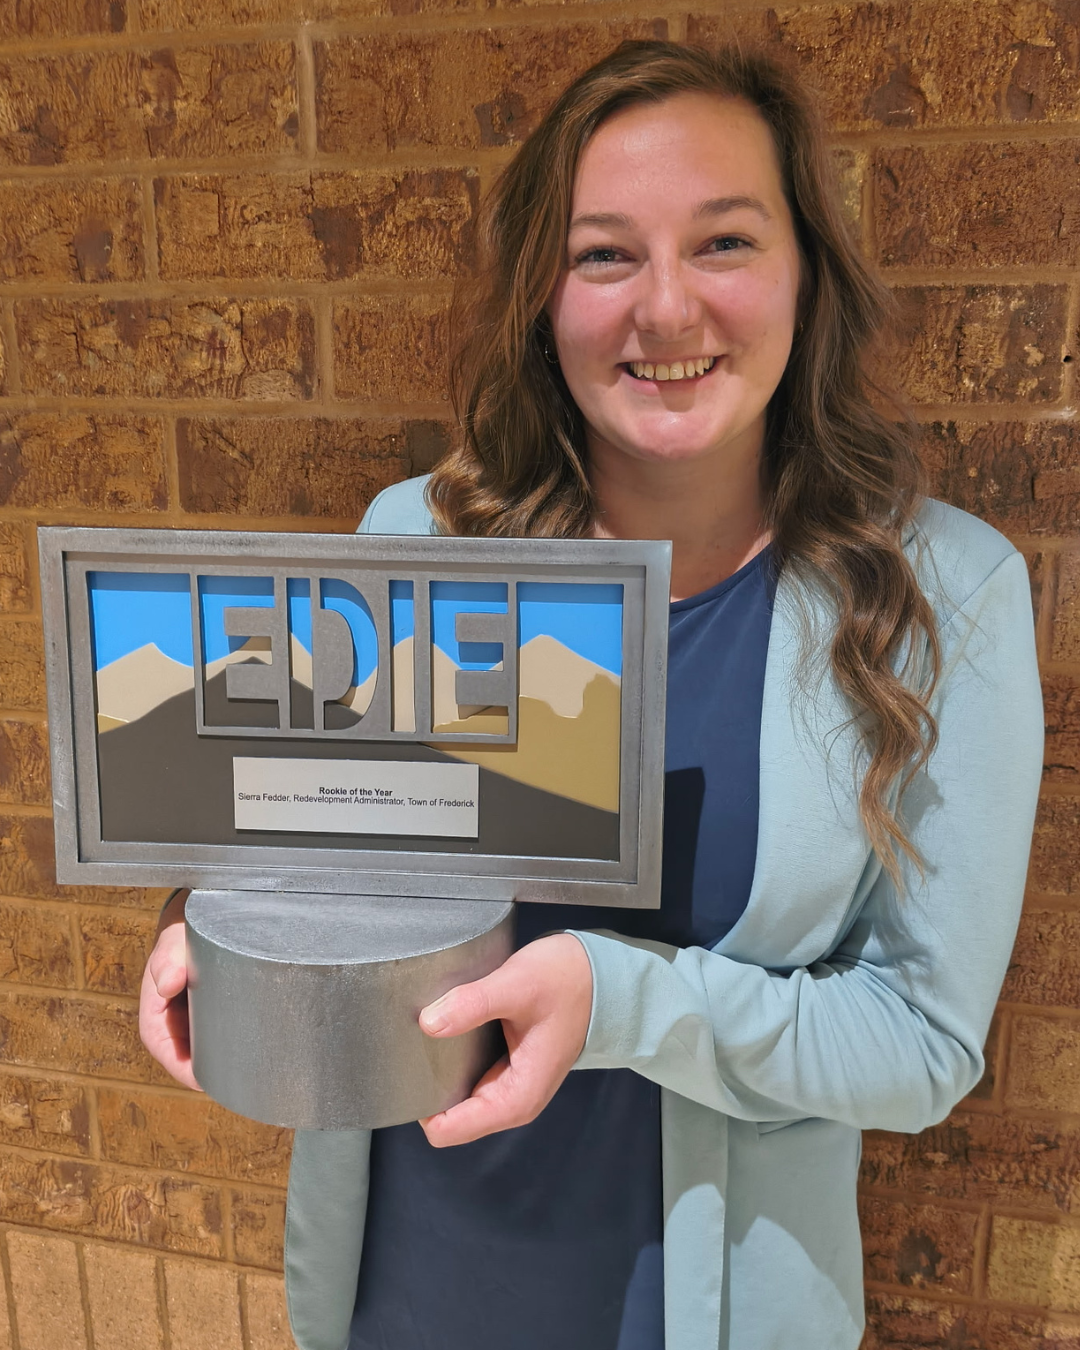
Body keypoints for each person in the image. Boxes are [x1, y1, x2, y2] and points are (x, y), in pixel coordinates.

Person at [140, 40, 1044, 1350]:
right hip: (404, 1292)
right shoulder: (416, 541)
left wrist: (617, 1001)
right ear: (543, 298)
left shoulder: (944, 593)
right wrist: (213, 923)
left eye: (725, 241)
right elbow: (321, 849)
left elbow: (921, 1042)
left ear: (807, 273)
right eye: (604, 253)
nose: (665, 311)